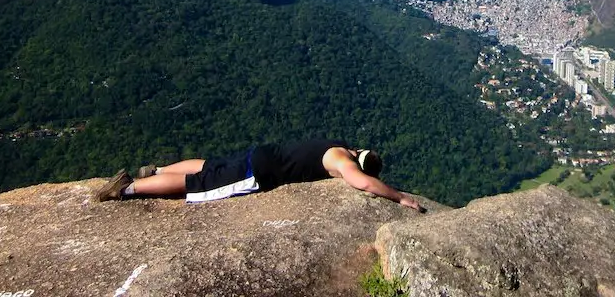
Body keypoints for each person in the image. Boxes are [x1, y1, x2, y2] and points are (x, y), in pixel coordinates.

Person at [95, 138, 425, 211]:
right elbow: (362, 182)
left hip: (263, 152)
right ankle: (128, 189)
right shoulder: (344, 165)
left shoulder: (337, 145)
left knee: (212, 165)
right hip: (264, 170)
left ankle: (158, 170)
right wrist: (399, 196)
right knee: (202, 184)